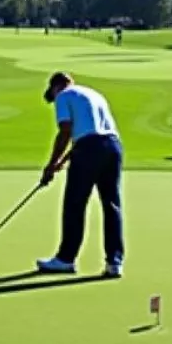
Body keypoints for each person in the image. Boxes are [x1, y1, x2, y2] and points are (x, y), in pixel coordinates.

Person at [36, 71, 125, 278]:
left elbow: (66, 131)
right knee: (111, 205)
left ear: (56, 86)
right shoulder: (93, 94)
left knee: (75, 205)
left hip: (88, 150)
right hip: (113, 148)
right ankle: (114, 262)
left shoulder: (64, 96)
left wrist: (50, 165)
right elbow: (88, 134)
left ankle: (66, 259)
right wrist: (61, 161)